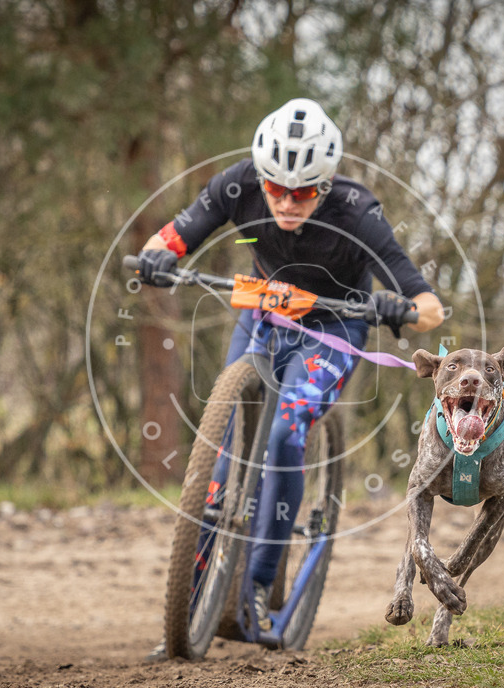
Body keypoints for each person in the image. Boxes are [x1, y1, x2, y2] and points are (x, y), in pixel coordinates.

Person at [136, 98, 444, 660]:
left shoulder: (357, 210)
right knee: (220, 465)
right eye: (276, 188)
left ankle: (257, 588)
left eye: (301, 193)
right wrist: (156, 258)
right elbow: (170, 238)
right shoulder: (238, 184)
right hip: (265, 312)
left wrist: (398, 307)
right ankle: (188, 609)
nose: (285, 201)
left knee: (285, 434)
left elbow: (429, 306)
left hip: (334, 326)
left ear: (324, 186)